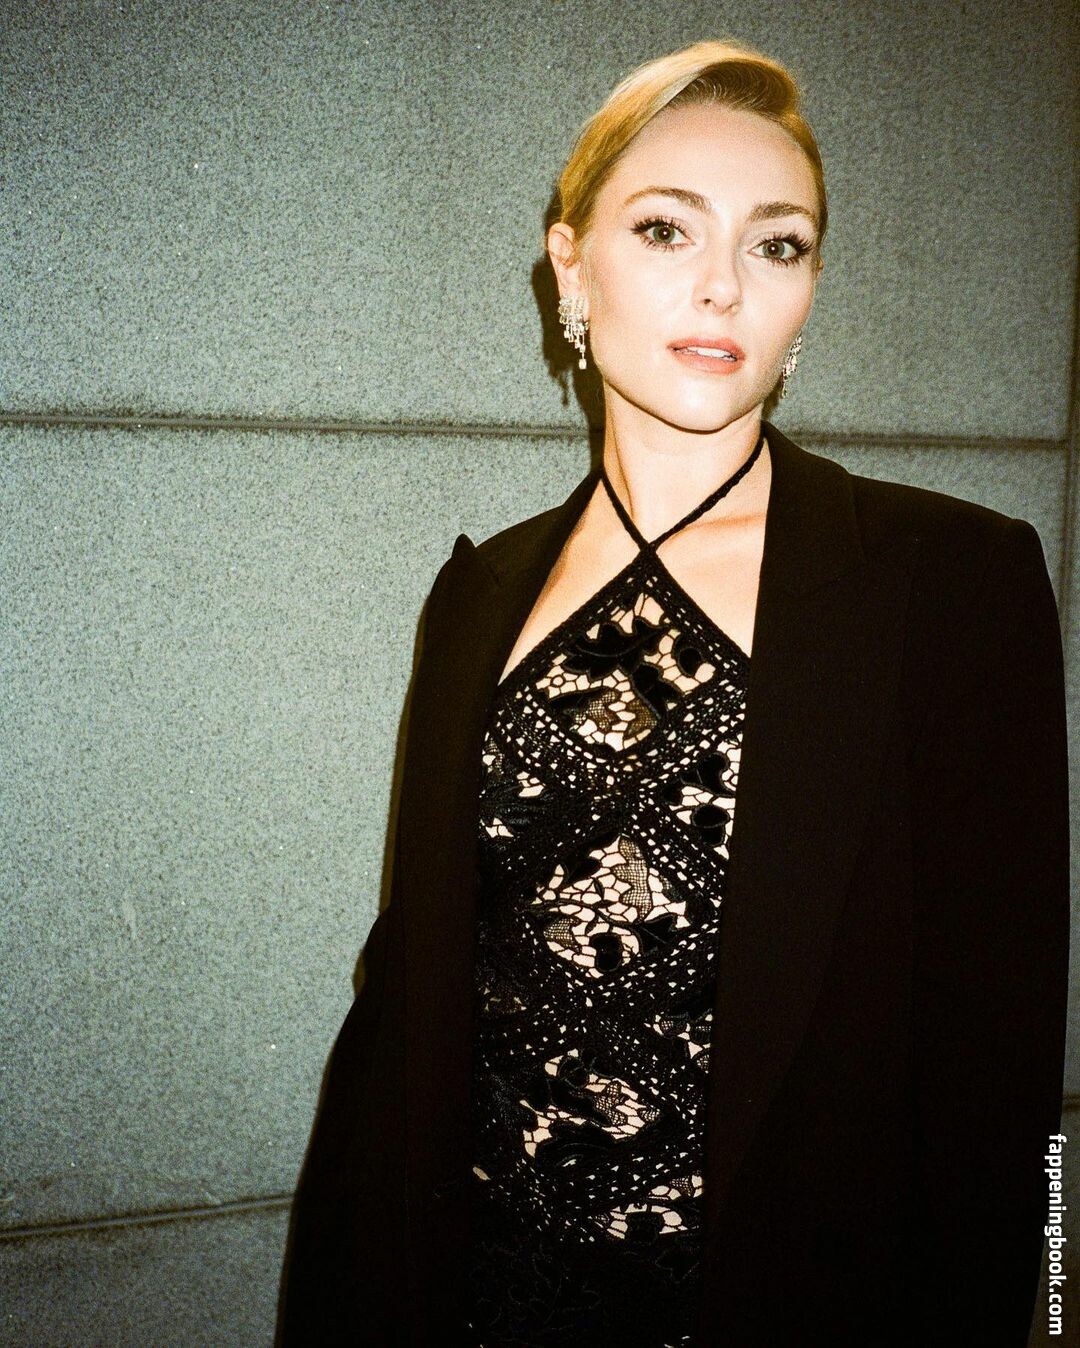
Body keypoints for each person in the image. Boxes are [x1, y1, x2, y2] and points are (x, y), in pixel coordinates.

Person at [277, 38, 1070, 1348]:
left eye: (778, 244)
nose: (723, 285)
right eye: (665, 229)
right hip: (485, 1300)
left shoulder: (948, 583)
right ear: (569, 266)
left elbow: (1004, 1058)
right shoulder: (478, 594)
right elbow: (410, 1001)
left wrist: (1027, 1297)